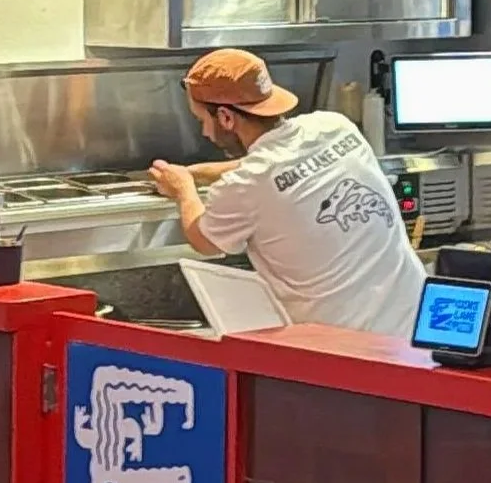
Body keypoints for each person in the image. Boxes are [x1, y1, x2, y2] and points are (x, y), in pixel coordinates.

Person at [148, 49, 426, 337]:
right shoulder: (334, 126)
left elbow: (203, 240)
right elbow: (279, 163)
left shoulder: (245, 185)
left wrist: (183, 189)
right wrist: (196, 172)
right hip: (418, 326)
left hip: (350, 346)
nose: (205, 132)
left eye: (201, 120)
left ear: (226, 117)